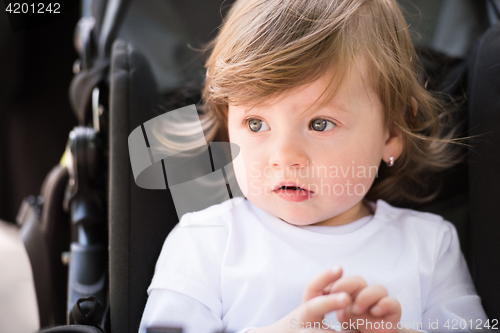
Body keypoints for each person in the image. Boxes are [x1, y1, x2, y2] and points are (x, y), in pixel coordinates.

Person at [139, 0, 489, 332]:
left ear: (392, 132)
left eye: (320, 124)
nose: (284, 155)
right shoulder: (205, 242)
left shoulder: (429, 245)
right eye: (256, 124)